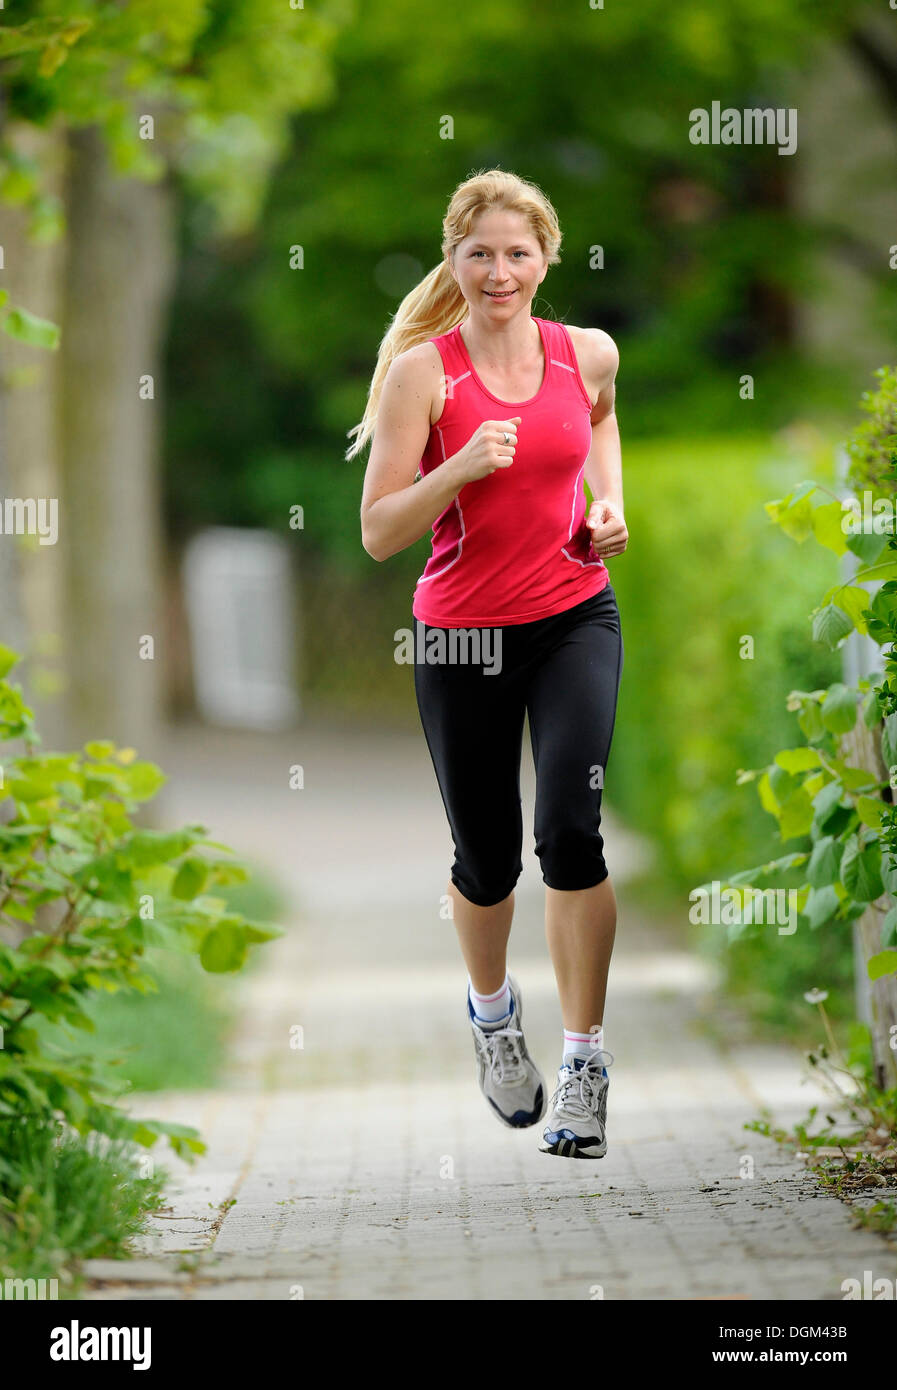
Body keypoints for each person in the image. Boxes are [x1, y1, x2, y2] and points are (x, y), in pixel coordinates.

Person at [351, 168, 628, 1159]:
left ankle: (587, 1065)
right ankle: (493, 1016)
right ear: (454, 260)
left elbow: (598, 420)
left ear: (547, 257)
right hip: (462, 633)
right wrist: (459, 466)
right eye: (480, 253)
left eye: (518, 252)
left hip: (572, 619)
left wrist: (607, 505)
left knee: (570, 830)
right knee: (488, 858)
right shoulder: (422, 375)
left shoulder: (585, 353)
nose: (500, 270)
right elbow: (380, 529)